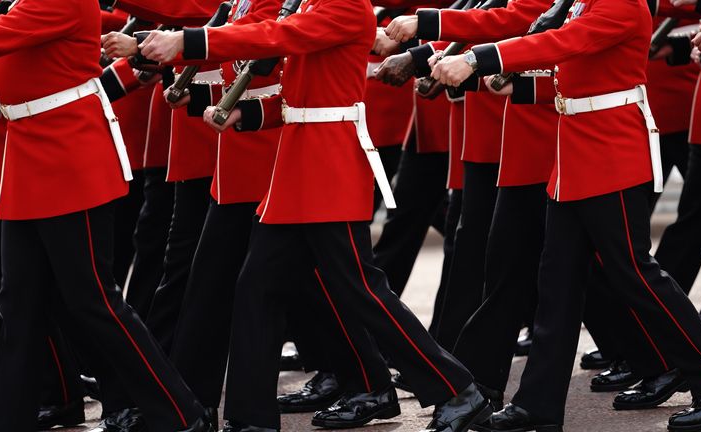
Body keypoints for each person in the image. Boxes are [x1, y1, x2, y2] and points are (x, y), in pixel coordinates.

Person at [138, 0, 491, 430]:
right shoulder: (312, 4)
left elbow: (275, 35)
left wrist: (188, 40)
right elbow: (295, 95)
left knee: (361, 291)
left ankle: (456, 389)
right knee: (256, 289)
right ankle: (252, 419)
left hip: (329, 166)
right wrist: (247, 113)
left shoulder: (344, 6)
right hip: (297, 167)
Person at [427, 0, 701, 430]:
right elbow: (571, 73)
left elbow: (565, 42)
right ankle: (537, 405)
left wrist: (477, 57)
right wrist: (514, 83)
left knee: (635, 272)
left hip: (609, 152)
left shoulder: (621, 4)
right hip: (574, 155)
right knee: (556, 283)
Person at [0, 0, 213, 430]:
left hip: (68, 161)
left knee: (94, 301)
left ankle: (183, 414)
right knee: (20, 303)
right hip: (28, 160)